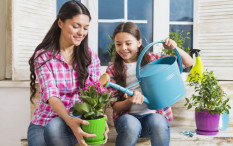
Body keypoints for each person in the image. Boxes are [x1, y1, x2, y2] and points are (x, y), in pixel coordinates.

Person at [27, 1, 109, 146]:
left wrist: (100, 118)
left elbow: (94, 93)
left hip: (78, 118)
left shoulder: (90, 57)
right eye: (76, 26)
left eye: (85, 28)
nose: (81, 33)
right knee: (49, 130)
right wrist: (70, 121)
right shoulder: (44, 56)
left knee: (55, 128)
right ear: (60, 23)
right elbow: (51, 95)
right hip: (44, 120)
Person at [106, 22, 193, 146]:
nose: (123, 48)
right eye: (118, 44)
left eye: (128, 43)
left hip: (152, 118)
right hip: (127, 120)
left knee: (158, 122)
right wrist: (130, 100)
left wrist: (175, 48)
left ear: (139, 42)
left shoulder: (154, 60)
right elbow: (116, 107)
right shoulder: (112, 69)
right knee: (132, 125)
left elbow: (188, 62)